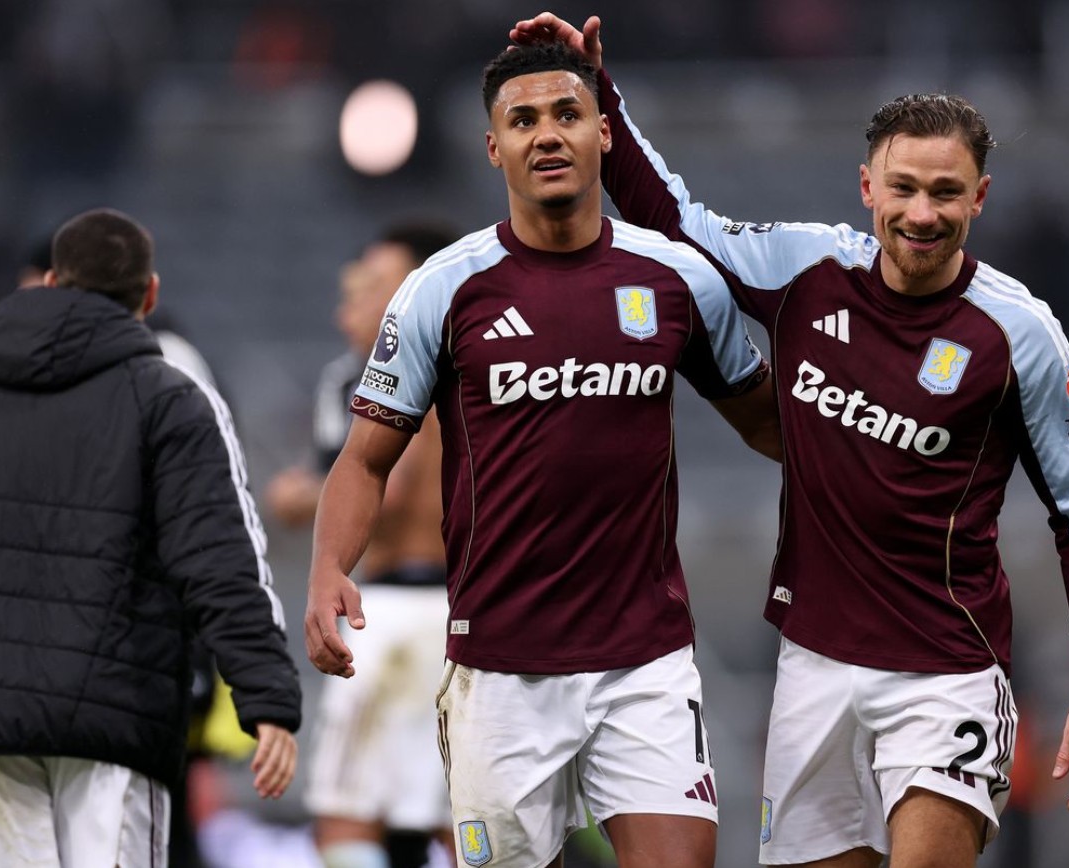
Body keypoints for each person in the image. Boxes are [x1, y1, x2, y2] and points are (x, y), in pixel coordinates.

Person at [511, 13, 1069, 868]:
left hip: (945, 669)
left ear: (979, 198)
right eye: (904, 188)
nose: (923, 213)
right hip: (812, 667)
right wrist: (596, 91)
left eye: (946, 193)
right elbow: (674, 219)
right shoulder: (808, 273)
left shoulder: (1018, 334)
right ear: (867, 188)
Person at [304, 42, 780, 868]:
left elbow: (770, 426)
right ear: (495, 147)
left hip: (646, 658)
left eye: (566, 114)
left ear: (603, 131)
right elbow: (364, 460)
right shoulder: (444, 289)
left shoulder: (677, 280)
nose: (546, 135)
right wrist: (325, 567)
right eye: (522, 119)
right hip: (500, 669)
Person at [0, 207, 302, 865]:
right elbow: (218, 558)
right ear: (149, 295)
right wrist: (266, 695)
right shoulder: (168, 395)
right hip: (113, 712)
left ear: (50, 281)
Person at [266, 222, 462, 868]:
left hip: (395, 613)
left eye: (375, 285)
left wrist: (308, 496)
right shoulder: (472, 370)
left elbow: (394, 488)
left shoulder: (413, 371)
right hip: (455, 614)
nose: (358, 302)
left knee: (348, 814)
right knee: (453, 809)